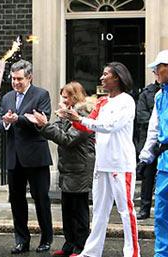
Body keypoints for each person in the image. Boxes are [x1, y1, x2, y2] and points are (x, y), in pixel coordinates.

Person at [65, 62, 140, 257]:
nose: (101, 78)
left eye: (106, 74)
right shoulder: (102, 102)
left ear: (117, 77)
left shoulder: (127, 101)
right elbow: (89, 127)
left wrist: (81, 119)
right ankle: (91, 252)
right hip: (102, 163)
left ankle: (132, 253)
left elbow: (110, 125)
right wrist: (72, 117)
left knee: (126, 211)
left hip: (121, 164)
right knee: (99, 211)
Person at [25, 81, 95, 257]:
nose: (61, 101)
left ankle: (81, 247)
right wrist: (43, 124)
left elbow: (68, 139)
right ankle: (69, 245)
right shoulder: (68, 115)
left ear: (74, 97)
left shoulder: (84, 115)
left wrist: (45, 125)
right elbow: (56, 129)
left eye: (65, 97)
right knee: (67, 209)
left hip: (80, 168)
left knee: (79, 210)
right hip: (68, 168)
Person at [0, 59, 53, 254]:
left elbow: (41, 120)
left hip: (36, 156)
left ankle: (46, 239)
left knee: (41, 199)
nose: (16, 82)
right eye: (13, 79)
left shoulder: (41, 94)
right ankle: (21, 240)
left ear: (29, 77)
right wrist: (7, 123)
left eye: (19, 79)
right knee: (17, 201)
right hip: (14, 157)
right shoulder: (7, 97)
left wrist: (17, 119)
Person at [138, 49, 168, 257]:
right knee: (161, 213)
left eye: (159, 68)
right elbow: (154, 128)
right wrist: (145, 156)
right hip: (165, 160)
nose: (155, 72)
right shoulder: (159, 95)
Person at [134, 77, 160, 220]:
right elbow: (141, 116)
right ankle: (144, 209)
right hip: (148, 140)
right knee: (147, 177)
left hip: (162, 140)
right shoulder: (146, 93)